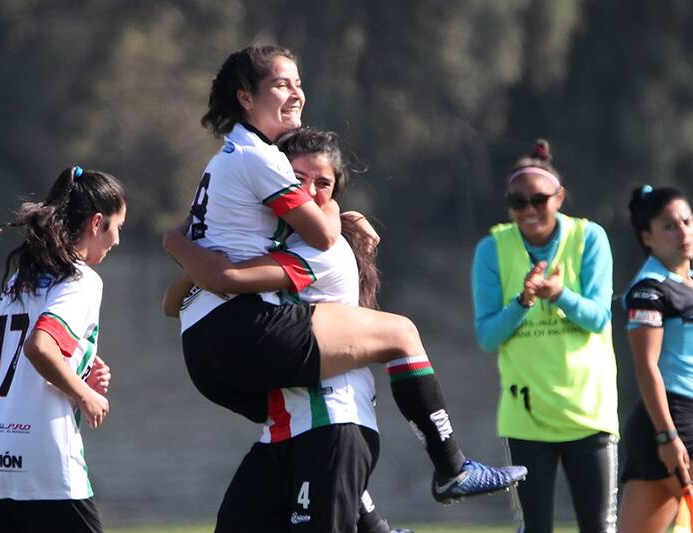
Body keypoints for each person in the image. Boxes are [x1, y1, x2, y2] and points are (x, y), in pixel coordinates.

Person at [163, 44, 527, 505]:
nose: (296, 93)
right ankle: (451, 467)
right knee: (401, 332)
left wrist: (171, 241)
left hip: (203, 348)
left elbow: (177, 296)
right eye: (280, 83)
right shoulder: (261, 160)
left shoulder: (224, 162)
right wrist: (335, 207)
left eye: (298, 82)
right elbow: (316, 234)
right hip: (244, 336)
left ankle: (373, 518)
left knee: (306, 428)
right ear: (245, 98)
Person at [163, 129, 408, 532]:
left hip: (329, 419)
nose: (309, 191)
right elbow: (173, 304)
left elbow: (222, 278)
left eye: (323, 184)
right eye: (297, 180)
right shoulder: (275, 242)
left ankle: (450, 463)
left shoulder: (319, 247)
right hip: (284, 427)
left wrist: (177, 242)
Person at [471, 140, 619, 532]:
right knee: (533, 527)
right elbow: (487, 336)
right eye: (518, 202)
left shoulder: (590, 239)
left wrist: (560, 294)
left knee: (599, 526)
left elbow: (599, 318)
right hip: (526, 419)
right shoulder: (492, 249)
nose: (530, 210)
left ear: (560, 197)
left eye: (539, 199)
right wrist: (523, 301)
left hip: (588, 413)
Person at [0, 166, 125, 533]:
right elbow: (39, 347)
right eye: (119, 226)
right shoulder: (82, 280)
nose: (118, 240)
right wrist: (85, 393)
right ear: (97, 223)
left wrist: (76, 375)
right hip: (43, 465)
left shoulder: (17, 281)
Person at [617, 185, 693, 532]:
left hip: (673, 426)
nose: (683, 231)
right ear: (648, 237)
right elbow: (647, 368)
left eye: (687, 221)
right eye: (669, 226)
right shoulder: (650, 289)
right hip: (673, 424)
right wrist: (667, 437)